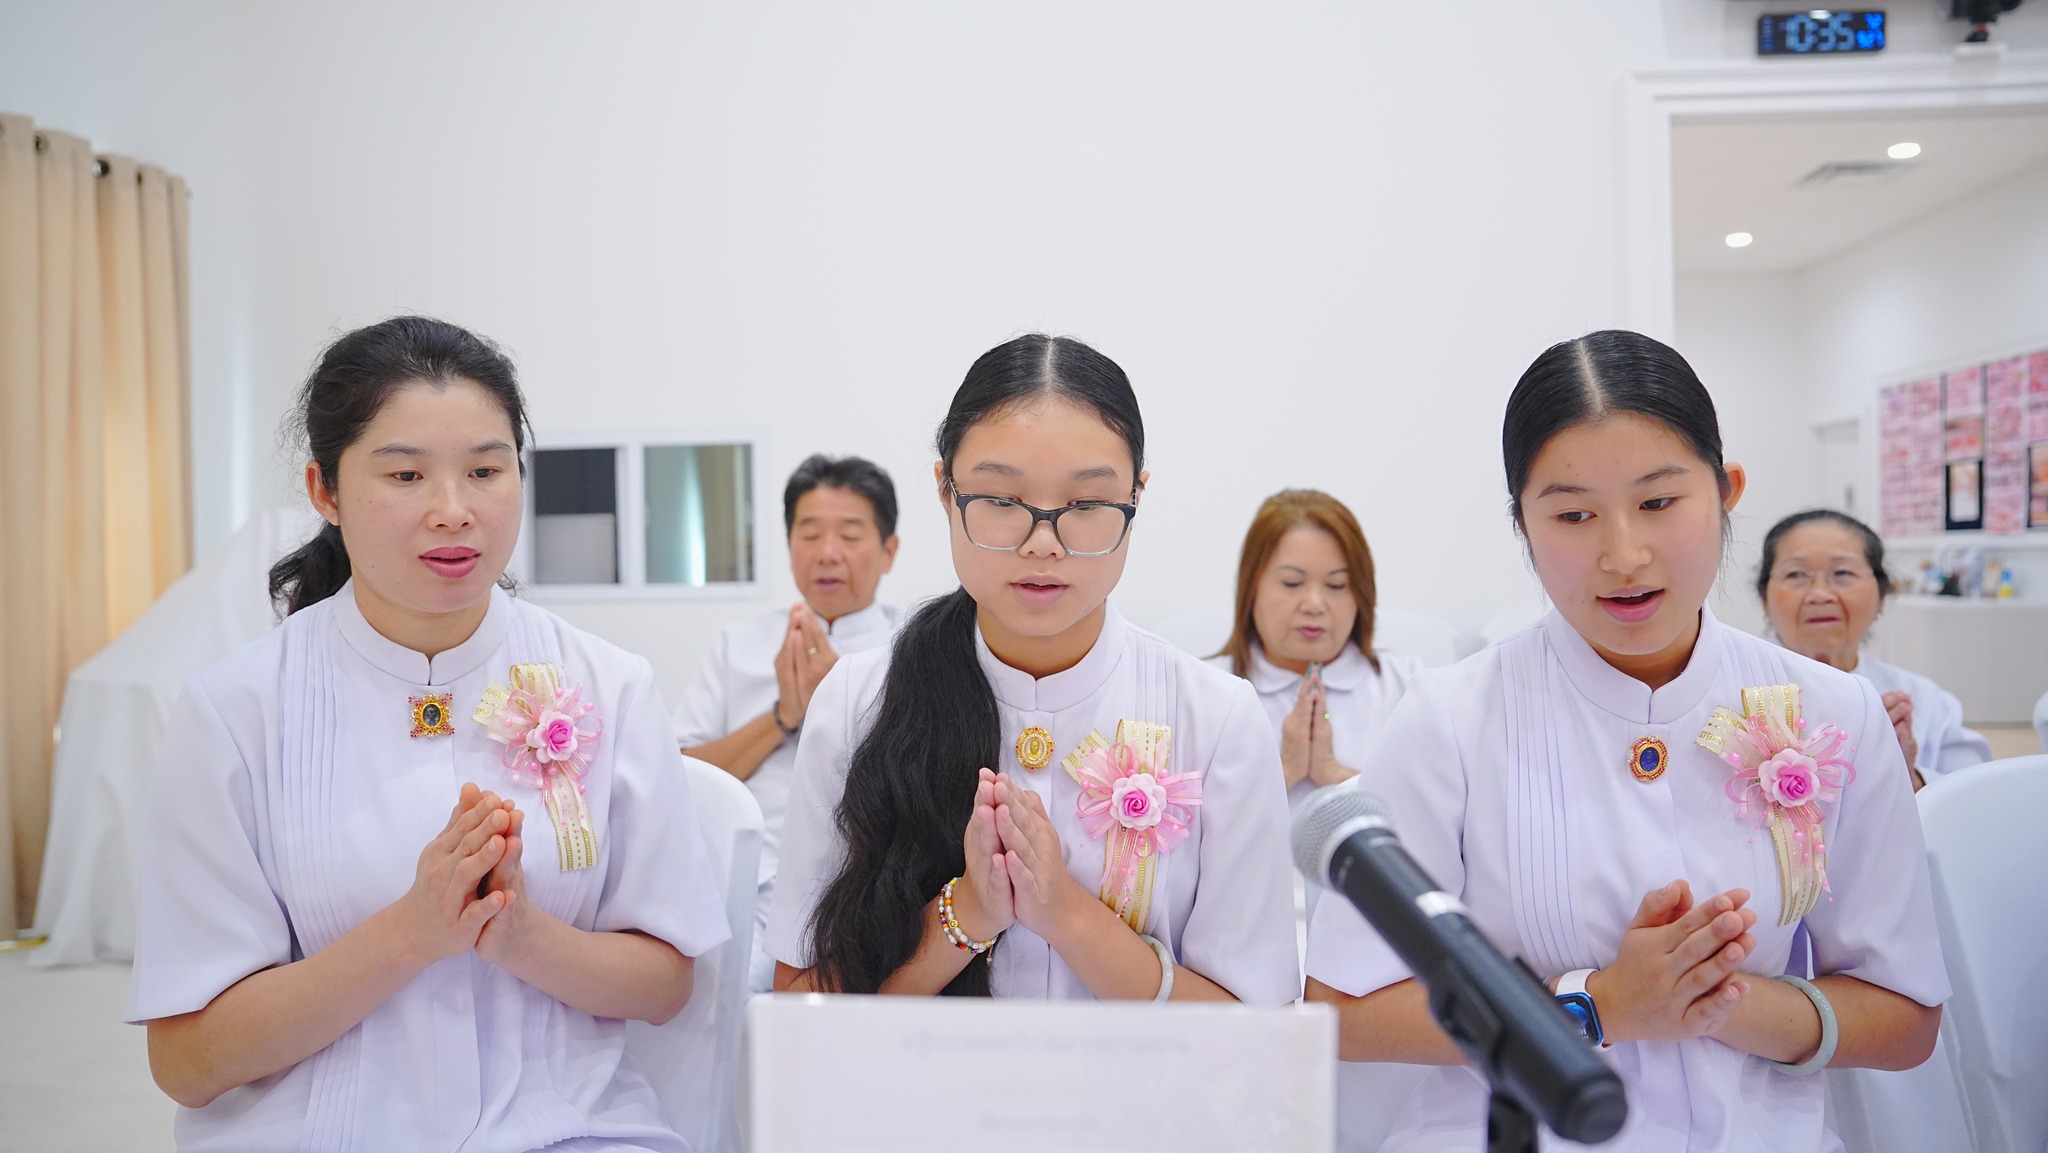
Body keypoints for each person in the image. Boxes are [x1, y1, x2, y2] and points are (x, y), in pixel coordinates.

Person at [1304, 330, 1948, 1152]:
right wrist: (1596, 1004)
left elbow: (1906, 1016)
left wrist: (1719, 1001)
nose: (1623, 554)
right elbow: (1342, 1008)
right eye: (1573, 514)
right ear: (1523, 526)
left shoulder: (1835, 711)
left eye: (1658, 502)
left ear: (1726, 492)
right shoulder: (1450, 719)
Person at [126, 317, 728, 1152]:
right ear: (325, 490)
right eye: (406, 474)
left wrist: (522, 935)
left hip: (568, 1129)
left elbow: (667, 984)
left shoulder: (607, 685)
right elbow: (188, 1060)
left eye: (486, 469)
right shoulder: (237, 711)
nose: (454, 511)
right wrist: (410, 931)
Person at [766, 333, 1299, 1004]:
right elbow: (800, 1001)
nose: (1042, 543)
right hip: (917, 1103)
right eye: (1001, 501)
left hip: (1145, 1105)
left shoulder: (1216, 719)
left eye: (1085, 506)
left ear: (1136, 496)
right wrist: (966, 914)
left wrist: (1068, 915)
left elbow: (1260, 1026)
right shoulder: (858, 700)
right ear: (944, 489)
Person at [673, 454, 903, 991]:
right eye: (809, 534)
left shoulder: (912, 647)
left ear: (889, 551)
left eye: (850, 535)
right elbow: (679, 775)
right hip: (747, 883)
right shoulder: (741, 644)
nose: (827, 553)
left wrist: (834, 704)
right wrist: (784, 716)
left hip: (866, 888)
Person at [1210, 489, 1424, 821]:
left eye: (1336, 585)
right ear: (1251, 588)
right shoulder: (1204, 688)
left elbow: (1437, 822)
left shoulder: (1409, 686)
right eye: (1293, 583)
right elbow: (1179, 834)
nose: (1314, 604)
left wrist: (1335, 775)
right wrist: (1282, 772)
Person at [1757, 509, 1992, 789]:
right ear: (1764, 598)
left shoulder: (1921, 700)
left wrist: (1908, 775)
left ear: (1882, 596)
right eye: (1795, 574)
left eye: (1842, 573)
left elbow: (1977, 796)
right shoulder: (1734, 692)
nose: (1820, 594)